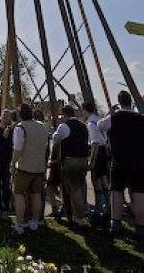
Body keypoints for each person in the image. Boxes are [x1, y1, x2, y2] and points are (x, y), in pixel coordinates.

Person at [98, 91, 144, 240]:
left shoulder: (113, 118)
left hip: (119, 160)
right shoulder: (140, 118)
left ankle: (116, 223)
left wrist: (109, 113)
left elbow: (100, 126)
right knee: (138, 194)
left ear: (119, 102)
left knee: (117, 191)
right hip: (138, 161)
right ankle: (140, 227)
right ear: (130, 102)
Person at [11, 103, 49, 235]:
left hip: (24, 167)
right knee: (36, 194)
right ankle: (34, 222)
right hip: (39, 167)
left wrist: (12, 163)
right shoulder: (42, 127)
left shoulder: (20, 128)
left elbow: (17, 149)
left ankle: (20, 224)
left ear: (20, 114)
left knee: (19, 194)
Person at [52, 105, 89, 228]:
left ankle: (80, 218)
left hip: (70, 161)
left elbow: (56, 139)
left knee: (74, 190)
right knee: (80, 186)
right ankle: (79, 214)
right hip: (83, 160)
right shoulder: (83, 125)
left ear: (64, 114)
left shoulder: (64, 126)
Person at [82, 101, 109, 216]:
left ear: (85, 110)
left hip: (98, 152)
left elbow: (95, 144)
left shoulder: (91, 124)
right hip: (104, 151)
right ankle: (107, 206)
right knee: (104, 180)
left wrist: (92, 161)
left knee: (95, 180)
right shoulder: (99, 120)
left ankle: (99, 208)